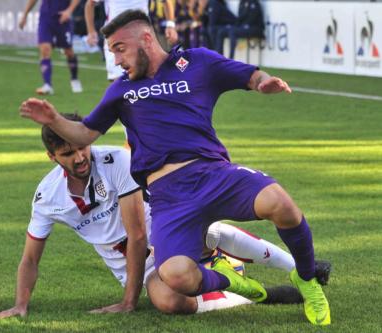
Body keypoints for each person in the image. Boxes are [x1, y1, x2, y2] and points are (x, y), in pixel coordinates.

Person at [18, 10, 331, 325]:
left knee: (282, 205)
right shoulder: (121, 91)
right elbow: (84, 134)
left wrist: (264, 83)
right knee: (176, 277)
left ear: (145, 39)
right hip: (169, 195)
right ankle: (231, 281)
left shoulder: (197, 63)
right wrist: (53, 120)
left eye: (119, 49)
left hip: (213, 173)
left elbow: (250, 75)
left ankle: (307, 280)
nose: (116, 61)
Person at [0, 114, 330, 318]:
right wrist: (20, 304)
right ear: (51, 156)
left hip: (166, 236)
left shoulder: (114, 163)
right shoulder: (47, 197)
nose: (79, 157)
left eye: (81, 146)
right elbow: (30, 258)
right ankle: (257, 292)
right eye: (67, 153)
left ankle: (302, 270)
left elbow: (138, 235)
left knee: (207, 233)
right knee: (167, 302)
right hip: (138, 267)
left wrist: (127, 302)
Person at [84, 0, 178, 81]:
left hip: (141, 37)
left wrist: (170, 25)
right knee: (118, 82)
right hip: (115, 37)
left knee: (148, 78)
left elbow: (166, 1)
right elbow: (90, 4)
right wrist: (91, 31)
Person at [19, 0, 83, 95]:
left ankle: (74, 78)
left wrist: (69, 11)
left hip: (63, 17)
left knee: (68, 52)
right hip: (46, 18)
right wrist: (25, 14)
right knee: (45, 49)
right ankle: (47, 85)